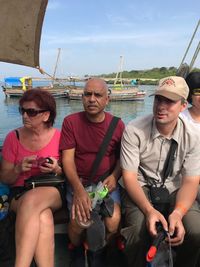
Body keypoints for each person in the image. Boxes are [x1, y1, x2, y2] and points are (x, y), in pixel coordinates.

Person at [120, 76, 200, 267]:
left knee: (196, 231)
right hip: (141, 187)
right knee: (136, 233)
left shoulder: (193, 136)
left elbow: (190, 181)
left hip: (175, 188)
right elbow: (129, 176)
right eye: (158, 99)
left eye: (170, 101)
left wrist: (179, 213)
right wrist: (149, 210)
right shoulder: (134, 130)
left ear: (183, 105)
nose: (161, 106)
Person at [59, 78, 124, 266]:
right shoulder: (71, 122)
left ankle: (102, 250)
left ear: (107, 100)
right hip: (78, 181)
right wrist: (78, 190)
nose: (92, 99)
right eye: (87, 94)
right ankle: (77, 248)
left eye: (98, 95)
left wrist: (114, 176)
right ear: (82, 97)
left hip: (105, 183)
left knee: (114, 221)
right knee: (78, 221)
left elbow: (121, 158)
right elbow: (67, 160)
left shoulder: (117, 125)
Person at [0, 88, 65, 267]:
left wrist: (57, 168)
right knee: (43, 217)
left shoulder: (61, 137)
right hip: (19, 191)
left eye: (31, 112)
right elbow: (5, 177)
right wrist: (18, 168)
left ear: (46, 115)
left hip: (52, 190)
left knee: (31, 201)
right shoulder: (13, 138)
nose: (25, 116)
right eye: (23, 110)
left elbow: (70, 173)